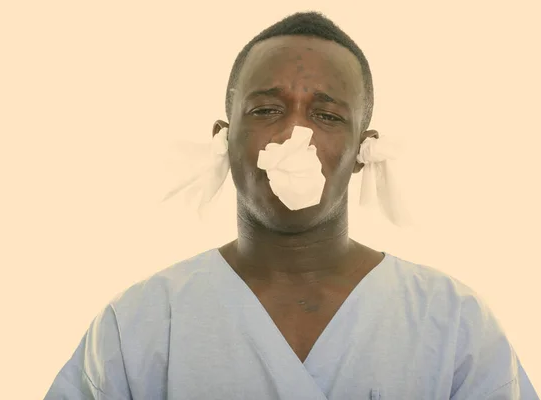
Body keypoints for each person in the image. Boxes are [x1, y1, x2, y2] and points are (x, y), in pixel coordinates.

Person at [44, 11, 539, 399]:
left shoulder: (453, 325)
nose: (293, 137)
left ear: (364, 151)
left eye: (325, 115)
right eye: (266, 110)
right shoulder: (140, 326)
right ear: (225, 138)